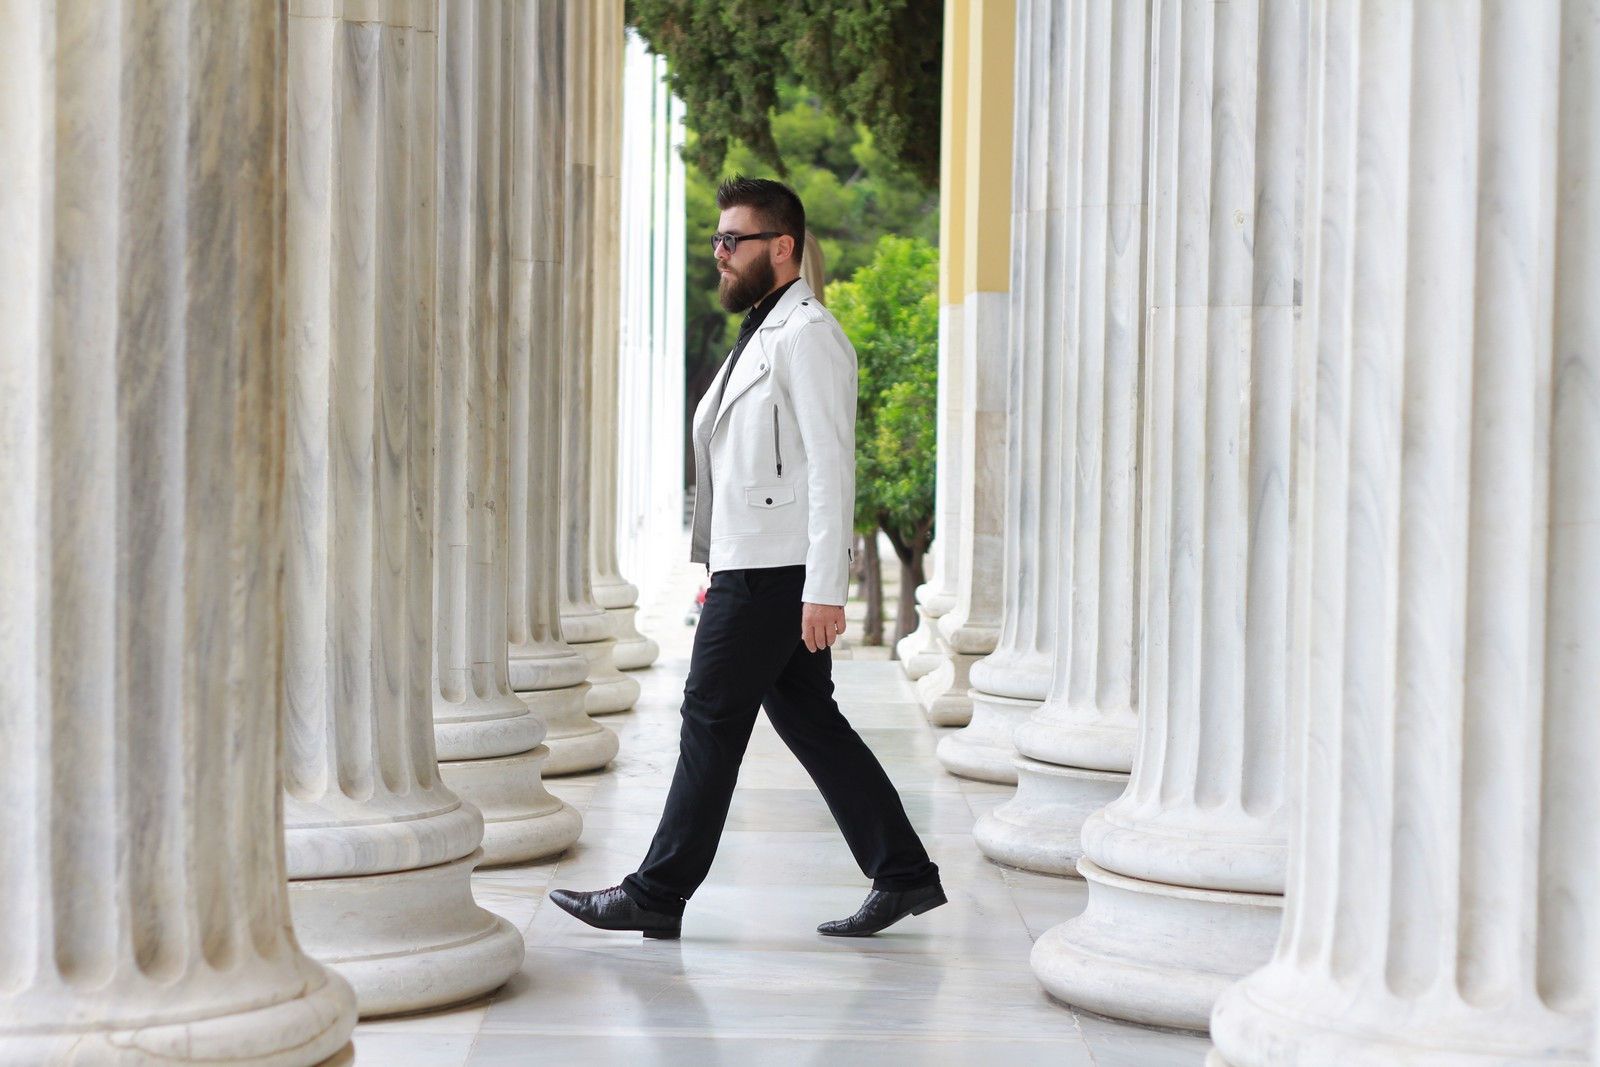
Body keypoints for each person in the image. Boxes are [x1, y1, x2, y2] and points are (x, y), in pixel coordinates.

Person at [549, 177, 945, 940]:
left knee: (709, 717)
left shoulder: (808, 335)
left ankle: (657, 891)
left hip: (777, 574)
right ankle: (903, 871)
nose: (720, 254)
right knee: (810, 721)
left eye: (735, 241)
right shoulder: (761, 332)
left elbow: (833, 467)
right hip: (751, 565)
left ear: (783, 248)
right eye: (718, 240)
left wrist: (826, 588)